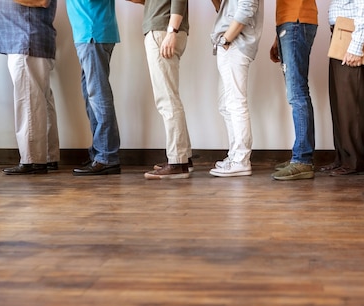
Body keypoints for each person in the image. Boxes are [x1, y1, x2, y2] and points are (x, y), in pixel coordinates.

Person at [321, 0, 364, 176]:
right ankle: (342, 158)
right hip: (342, 33)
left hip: (353, 36)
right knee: (340, 103)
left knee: (352, 103)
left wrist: (356, 46)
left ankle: (354, 161)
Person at [128, 0, 193, 180]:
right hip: (164, 29)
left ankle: (177, 162)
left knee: (167, 100)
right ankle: (184, 158)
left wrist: (172, 31)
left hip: (164, 30)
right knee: (170, 97)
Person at [0, 0, 60, 175]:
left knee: (29, 101)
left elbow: (41, 1)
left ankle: (33, 160)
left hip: (26, 40)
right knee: (40, 101)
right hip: (27, 40)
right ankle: (47, 157)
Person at [67, 0, 122, 176]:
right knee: (92, 97)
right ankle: (100, 153)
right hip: (89, 33)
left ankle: (107, 156)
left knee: (98, 97)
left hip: (92, 32)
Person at [209, 0, 263, 178]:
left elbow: (247, 7)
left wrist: (226, 39)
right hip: (230, 44)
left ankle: (241, 160)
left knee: (235, 103)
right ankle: (235, 156)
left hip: (235, 43)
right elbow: (221, 8)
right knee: (226, 105)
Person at [270, 0, 318, 181]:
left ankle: (302, 160)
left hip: (296, 21)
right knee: (297, 92)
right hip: (290, 22)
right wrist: (278, 35)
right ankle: (302, 156)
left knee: (297, 93)